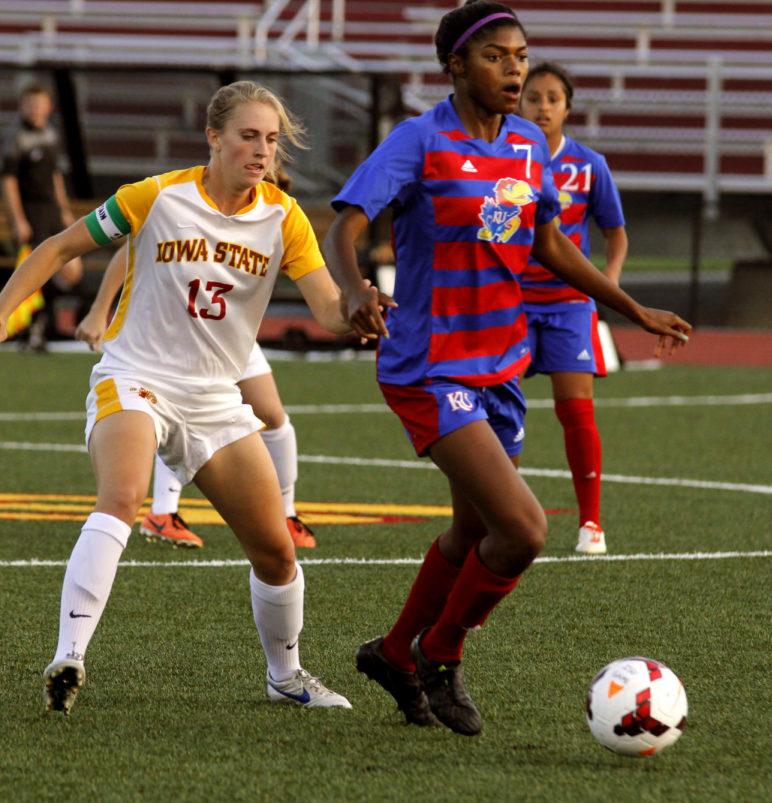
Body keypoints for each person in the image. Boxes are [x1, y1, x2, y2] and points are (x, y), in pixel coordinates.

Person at [322, 1, 690, 736]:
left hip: (501, 364)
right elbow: (346, 223)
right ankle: (440, 651)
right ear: (455, 66)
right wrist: (353, 285)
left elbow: (551, 244)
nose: (515, 67)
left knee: (471, 536)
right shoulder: (419, 140)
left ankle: (394, 652)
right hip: (430, 364)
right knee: (522, 528)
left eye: (521, 54)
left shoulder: (528, 143)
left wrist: (628, 306)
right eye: (496, 55)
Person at [0, 80, 358, 715]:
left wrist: (360, 312)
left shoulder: (284, 217)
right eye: (247, 136)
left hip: (214, 397)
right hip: (135, 375)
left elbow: (327, 310)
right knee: (122, 498)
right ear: (213, 137)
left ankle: (285, 675)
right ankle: (69, 655)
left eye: (271, 139)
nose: (261, 151)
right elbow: (60, 246)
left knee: (275, 550)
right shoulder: (157, 195)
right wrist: (2, 309)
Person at [75, 242, 317, 549]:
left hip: (229, 332)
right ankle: (163, 512)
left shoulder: (276, 214)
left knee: (271, 414)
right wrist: (99, 309)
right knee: (171, 405)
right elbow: (131, 246)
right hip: (176, 331)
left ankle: (286, 515)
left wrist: (346, 307)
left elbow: (315, 281)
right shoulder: (181, 200)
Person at [518, 62, 626, 555]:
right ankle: (498, 513)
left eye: (552, 98)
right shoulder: (507, 157)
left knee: (575, 408)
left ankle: (591, 524)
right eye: (532, 97)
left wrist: (608, 283)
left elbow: (615, 232)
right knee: (495, 405)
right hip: (510, 301)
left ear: (567, 106)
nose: (542, 106)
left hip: (567, 304)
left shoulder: (588, 164)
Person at [0, 81, 83, 350]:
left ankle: (39, 320)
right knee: (37, 271)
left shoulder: (51, 133)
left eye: (40, 104)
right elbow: (8, 181)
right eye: (31, 104)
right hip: (31, 213)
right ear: (22, 106)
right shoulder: (15, 137)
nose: (36, 109)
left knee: (72, 271)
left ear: (49, 106)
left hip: (52, 212)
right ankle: (34, 326)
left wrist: (65, 209)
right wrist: (17, 219)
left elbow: (55, 176)